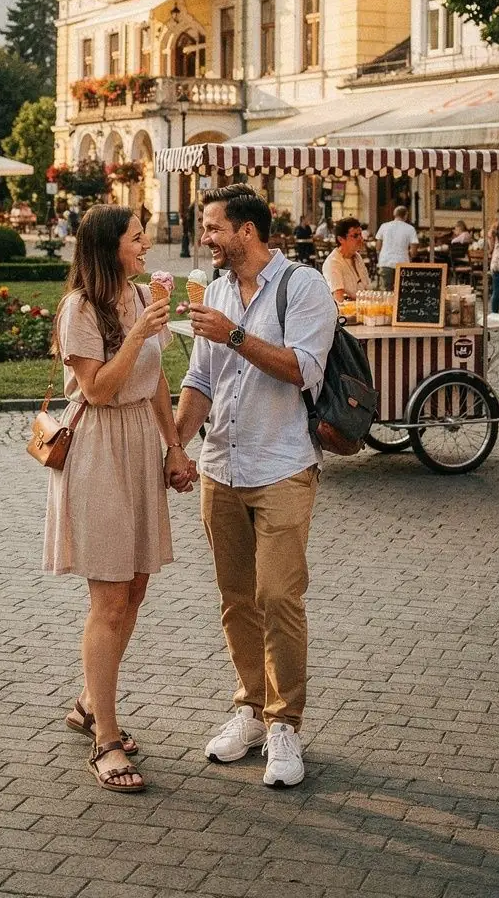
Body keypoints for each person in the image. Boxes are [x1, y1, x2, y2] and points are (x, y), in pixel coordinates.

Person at [176, 184, 336, 789]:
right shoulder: (215, 291)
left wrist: (235, 335)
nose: (206, 238)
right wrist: (176, 446)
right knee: (236, 597)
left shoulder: (303, 287)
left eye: (214, 227)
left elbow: (302, 369)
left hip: (283, 466)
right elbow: (200, 380)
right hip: (222, 467)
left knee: (278, 597)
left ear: (248, 230)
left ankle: (285, 724)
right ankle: (248, 707)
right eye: (204, 227)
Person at [43, 205, 195, 794]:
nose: (146, 245)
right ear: (110, 248)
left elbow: (155, 377)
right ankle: (105, 737)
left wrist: (174, 446)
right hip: (98, 452)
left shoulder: (137, 295)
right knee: (108, 597)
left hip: (137, 446)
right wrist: (136, 332)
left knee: (134, 587)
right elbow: (99, 389)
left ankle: (87, 702)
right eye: (137, 238)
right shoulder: (80, 308)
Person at [321, 216, 371, 300]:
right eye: (355, 236)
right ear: (341, 239)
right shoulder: (333, 262)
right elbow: (340, 298)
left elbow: (367, 287)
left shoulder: (357, 257)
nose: (360, 239)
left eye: (360, 235)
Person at [375, 205, 419, 290]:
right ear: (406, 215)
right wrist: (411, 256)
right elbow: (413, 251)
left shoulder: (384, 226)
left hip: (385, 262)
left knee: (386, 291)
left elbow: (378, 247)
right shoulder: (410, 229)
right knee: (401, 291)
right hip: (403, 263)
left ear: (394, 214)